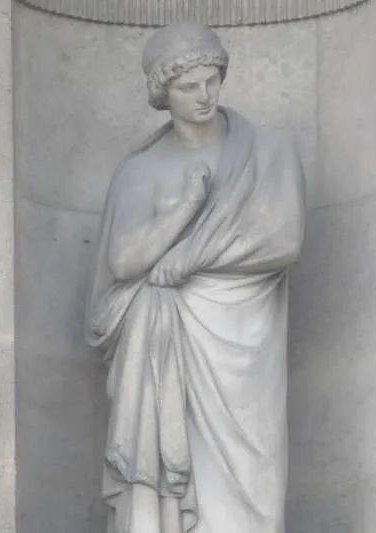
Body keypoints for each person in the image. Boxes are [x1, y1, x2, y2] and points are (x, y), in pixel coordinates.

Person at [85, 22, 305, 533]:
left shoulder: (268, 151)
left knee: (255, 464)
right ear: (163, 93)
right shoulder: (140, 172)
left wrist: (189, 261)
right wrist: (185, 210)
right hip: (168, 341)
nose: (203, 95)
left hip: (245, 340)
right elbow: (124, 262)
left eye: (212, 80)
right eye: (188, 86)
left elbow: (282, 240)